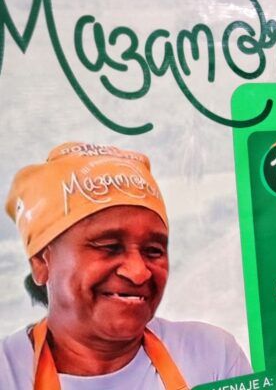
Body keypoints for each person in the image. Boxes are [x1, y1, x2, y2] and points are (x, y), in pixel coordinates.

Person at [0, 142, 252, 389]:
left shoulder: (214, 358)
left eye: (153, 251)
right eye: (109, 246)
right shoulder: (7, 373)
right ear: (41, 262)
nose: (139, 272)